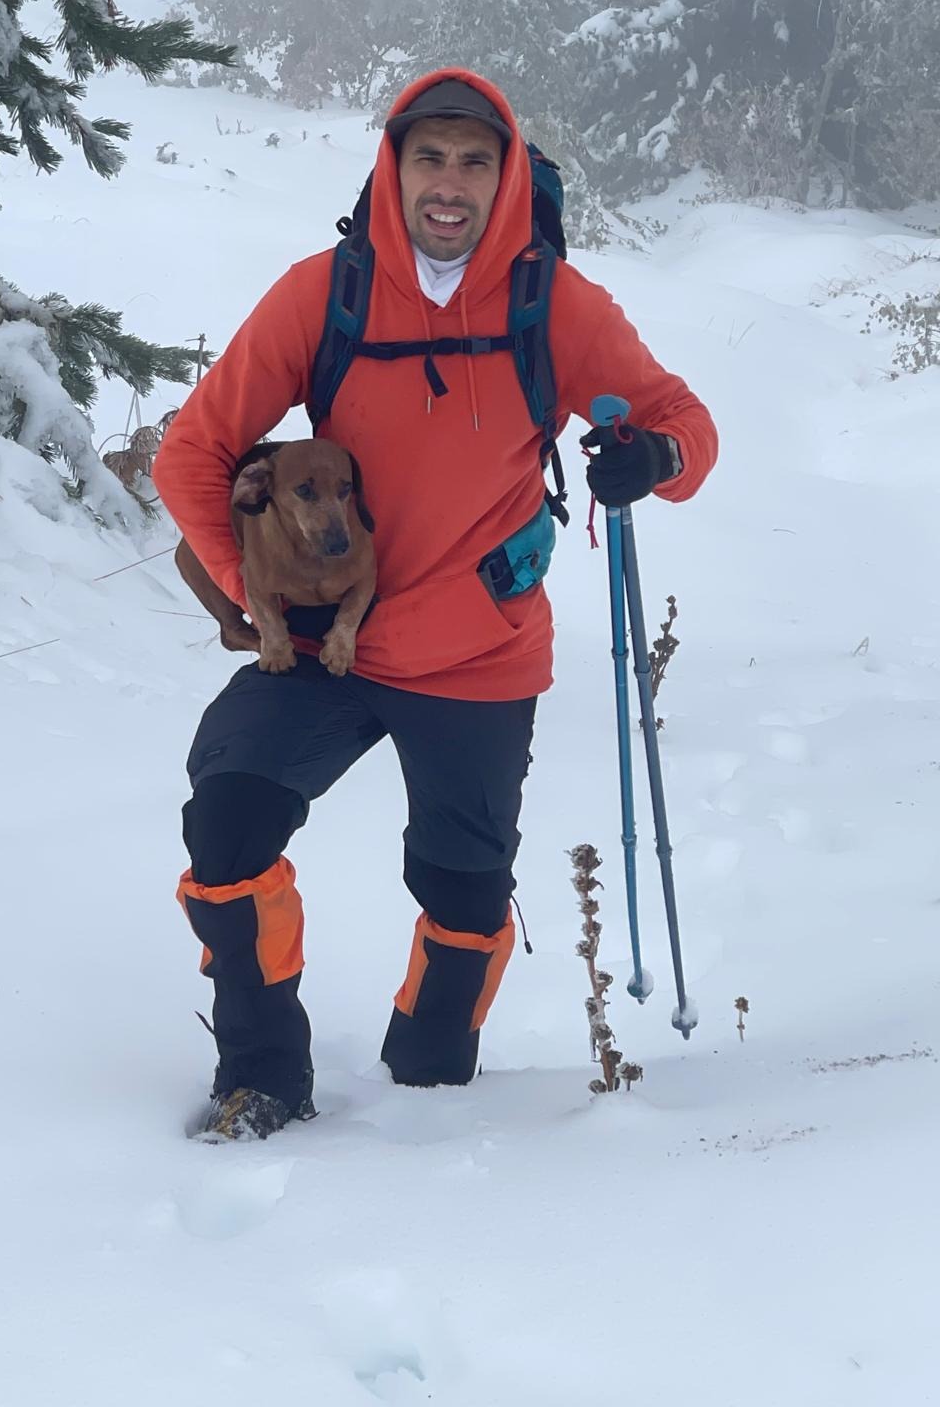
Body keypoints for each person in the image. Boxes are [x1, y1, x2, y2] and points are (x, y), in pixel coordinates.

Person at [153, 69, 718, 1141]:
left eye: (473, 161)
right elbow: (191, 454)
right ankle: (261, 1078)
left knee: (464, 891)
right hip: (324, 641)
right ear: (393, 169)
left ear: (506, 180)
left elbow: (686, 422)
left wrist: (654, 458)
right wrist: (251, 592)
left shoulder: (554, 305)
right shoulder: (325, 295)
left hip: (476, 652)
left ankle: (430, 1082)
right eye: (428, 159)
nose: (448, 184)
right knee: (227, 815)